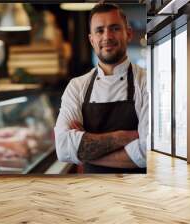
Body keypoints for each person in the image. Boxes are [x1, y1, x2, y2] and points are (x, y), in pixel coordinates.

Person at [54, 3, 148, 173]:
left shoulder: (147, 82)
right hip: (92, 192)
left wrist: (84, 149)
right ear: (91, 40)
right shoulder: (77, 86)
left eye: (115, 28)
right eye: (99, 31)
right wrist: (124, 137)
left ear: (128, 34)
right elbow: (63, 148)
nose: (107, 36)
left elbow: (148, 152)